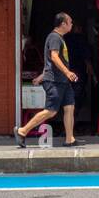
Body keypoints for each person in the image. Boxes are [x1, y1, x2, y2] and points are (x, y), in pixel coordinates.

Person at [16, 13, 80, 147]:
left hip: (63, 81)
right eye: (70, 22)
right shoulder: (55, 37)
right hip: (55, 81)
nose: (72, 24)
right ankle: (22, 131)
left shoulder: (59, 38)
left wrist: (41, 76)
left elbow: (49, 62)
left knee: (69, 108)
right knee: (51, 111)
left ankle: (70, 139)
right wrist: (68, 72)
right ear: (63, 24)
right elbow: (54, 57)